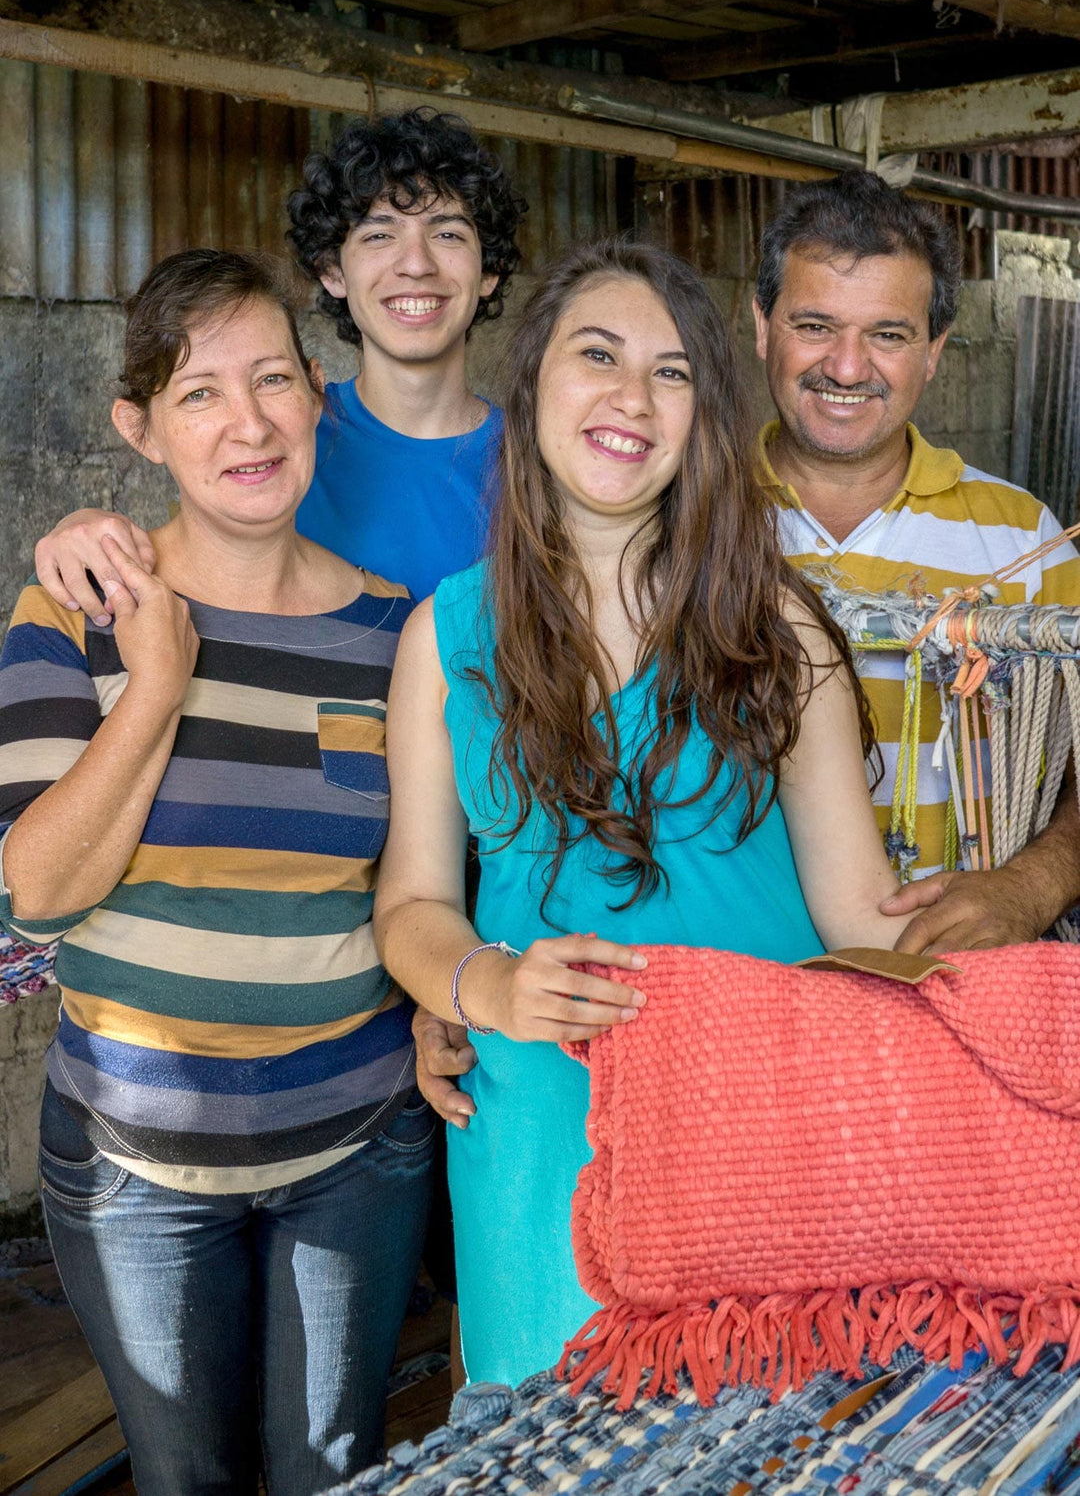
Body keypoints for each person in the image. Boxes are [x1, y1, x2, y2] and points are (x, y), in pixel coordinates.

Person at [373, 237, 917, 1388]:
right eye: (599, 355)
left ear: (704, 420)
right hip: (541, 1143)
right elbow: (415, 902)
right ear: (532, 391)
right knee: (550, 1444)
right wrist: (489, 987)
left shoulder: (781, 634)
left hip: (762, 1137)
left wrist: (997, 991)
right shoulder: (443, 638)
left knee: (753, 1445)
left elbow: (865, 918)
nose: (632, 397)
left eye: (672, 373)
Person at [0, 251, 432, 1494]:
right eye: (198, 394)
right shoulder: (72, 609)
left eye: (275, 381)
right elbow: (35, 891)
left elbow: (421, 880)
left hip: (357, 1147)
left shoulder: (396, 632)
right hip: (134, 1170)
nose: (248, 424)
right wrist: (159, 686)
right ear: (139, 427)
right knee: (184, 1480)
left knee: (331, 1470)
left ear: (317, 400)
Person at [752, 169, 1080, 953]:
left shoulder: (1020, 539)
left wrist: (1033, 886)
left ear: (933, 352)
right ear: (761, 326)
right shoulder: (690, 524)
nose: (846, 366)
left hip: (958, 973)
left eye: (888, 335)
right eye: (815, 325)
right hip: (738, 970)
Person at [32, 106, 526, 609]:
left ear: (490, 270)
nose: (416, 264)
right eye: (379, 234)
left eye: (447, 234)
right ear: (331, 270)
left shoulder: (539, 462)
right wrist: (81, 527)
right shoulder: (276, 440)